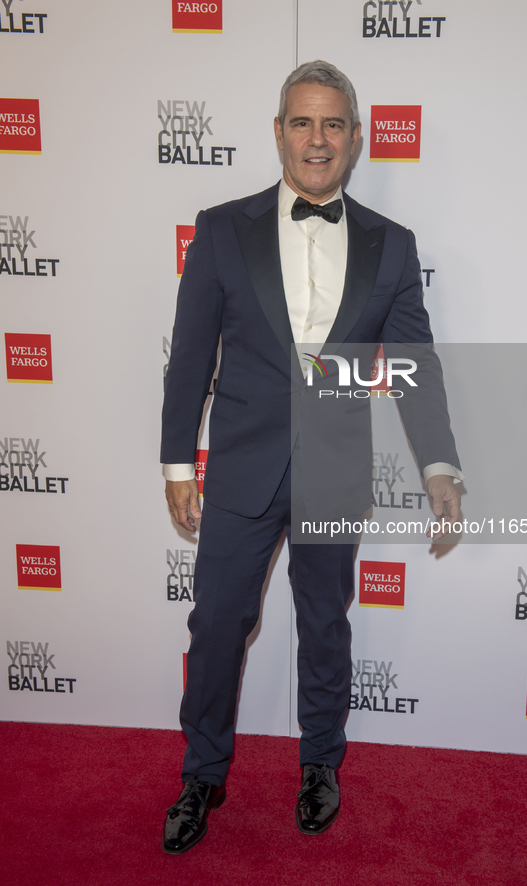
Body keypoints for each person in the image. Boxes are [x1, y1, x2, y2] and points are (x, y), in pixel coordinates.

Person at [160, 60, 462, 854]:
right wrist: (175, 466)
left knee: (325, 626)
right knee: (218, 624)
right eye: (302, 122)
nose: (317, 139)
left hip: (332, 468)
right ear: (278, 132)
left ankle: (320, 764)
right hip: (240, 469)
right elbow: (189, 358)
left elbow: (412, 366)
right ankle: (202, 773)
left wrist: (437, 465)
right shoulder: (222, 228)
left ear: (356, 138)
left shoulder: (392, 247)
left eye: (333, 124)